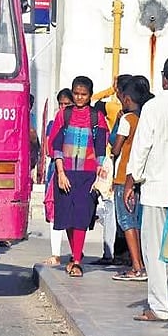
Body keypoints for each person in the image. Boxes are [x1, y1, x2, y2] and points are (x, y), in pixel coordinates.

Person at [125, 57, 168, 323]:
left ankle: (160, 306)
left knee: (155, 252)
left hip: (156, 188)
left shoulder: (153, 107)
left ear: (165, 79)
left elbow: (141, 147)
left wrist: (132, 181)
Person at [50, 75, 109, 278]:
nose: (79, 97)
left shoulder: (96, 117)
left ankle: (76, 260)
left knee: (82, 216)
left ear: (90, 95)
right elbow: (55, 145)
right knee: (67, 215)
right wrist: (60, 172)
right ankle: (76, 252)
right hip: (65, 172)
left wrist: (99, 173)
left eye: (83, 94)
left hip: (87, 173)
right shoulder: (63, 115)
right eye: (76, 93)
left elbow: (101, 146)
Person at [111, 76, 153, 282]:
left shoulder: (127, 120)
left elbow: (116, 148)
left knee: (126, 221)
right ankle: (142, 263)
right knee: (137, 221)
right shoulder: (145, 117)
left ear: (127, 99)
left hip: (123, 177)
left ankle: (136, 266)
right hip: (140, 177)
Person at [93, 74, 132, 266]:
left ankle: (111, 253)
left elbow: (112, 141)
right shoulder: (141, 112)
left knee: (111, 209)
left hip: (117, 164)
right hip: (132, 169)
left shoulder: (115, 109)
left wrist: (110, 89)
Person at [43, 88, 74, 266]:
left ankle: (75, 251)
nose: (63, 107)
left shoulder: (79, 123)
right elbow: (50, 150)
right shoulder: (54, 123)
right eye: (61, 104)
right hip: (56, 169)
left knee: (72, 211)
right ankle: (55, 253)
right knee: (54, 210)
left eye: (66, 104)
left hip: (74, 170)